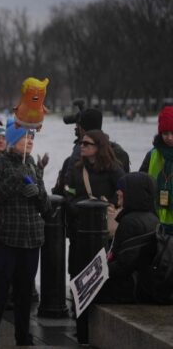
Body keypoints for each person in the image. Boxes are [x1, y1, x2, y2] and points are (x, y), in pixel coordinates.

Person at [0, 122, 50, 346]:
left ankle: (23, 337)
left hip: (30, 240)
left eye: (32, 138)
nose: (30, 141)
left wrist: (37, 195)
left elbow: (46, 208)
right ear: (12, 140)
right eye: (25, 137)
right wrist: (14, 181)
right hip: (3, 239)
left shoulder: (33, 166)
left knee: (25, 293)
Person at [58, 129, 125, 277]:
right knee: (77, 270)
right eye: (81, 142)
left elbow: (124, 189)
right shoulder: (76, 168)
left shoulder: (113, 168)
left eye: (87, 143)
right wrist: (83, 208)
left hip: (104, 230)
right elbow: (69, 193)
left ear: (98, 147)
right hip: (79, 228)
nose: (81, 145)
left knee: (101, 271)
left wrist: (109, 204)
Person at [98, 173, 158, 303]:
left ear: (133, 192)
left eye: (122, 188)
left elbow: (123, 265)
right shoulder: (153, 217)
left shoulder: (130, 222)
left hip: (131, 289)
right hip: (144, 284)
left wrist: (98, 272)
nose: (118, 192)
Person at [139, 105, 173, 234]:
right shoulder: (153, 154)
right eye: (165, 133)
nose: (169, 138)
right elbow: (140, 181)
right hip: (156, 220)